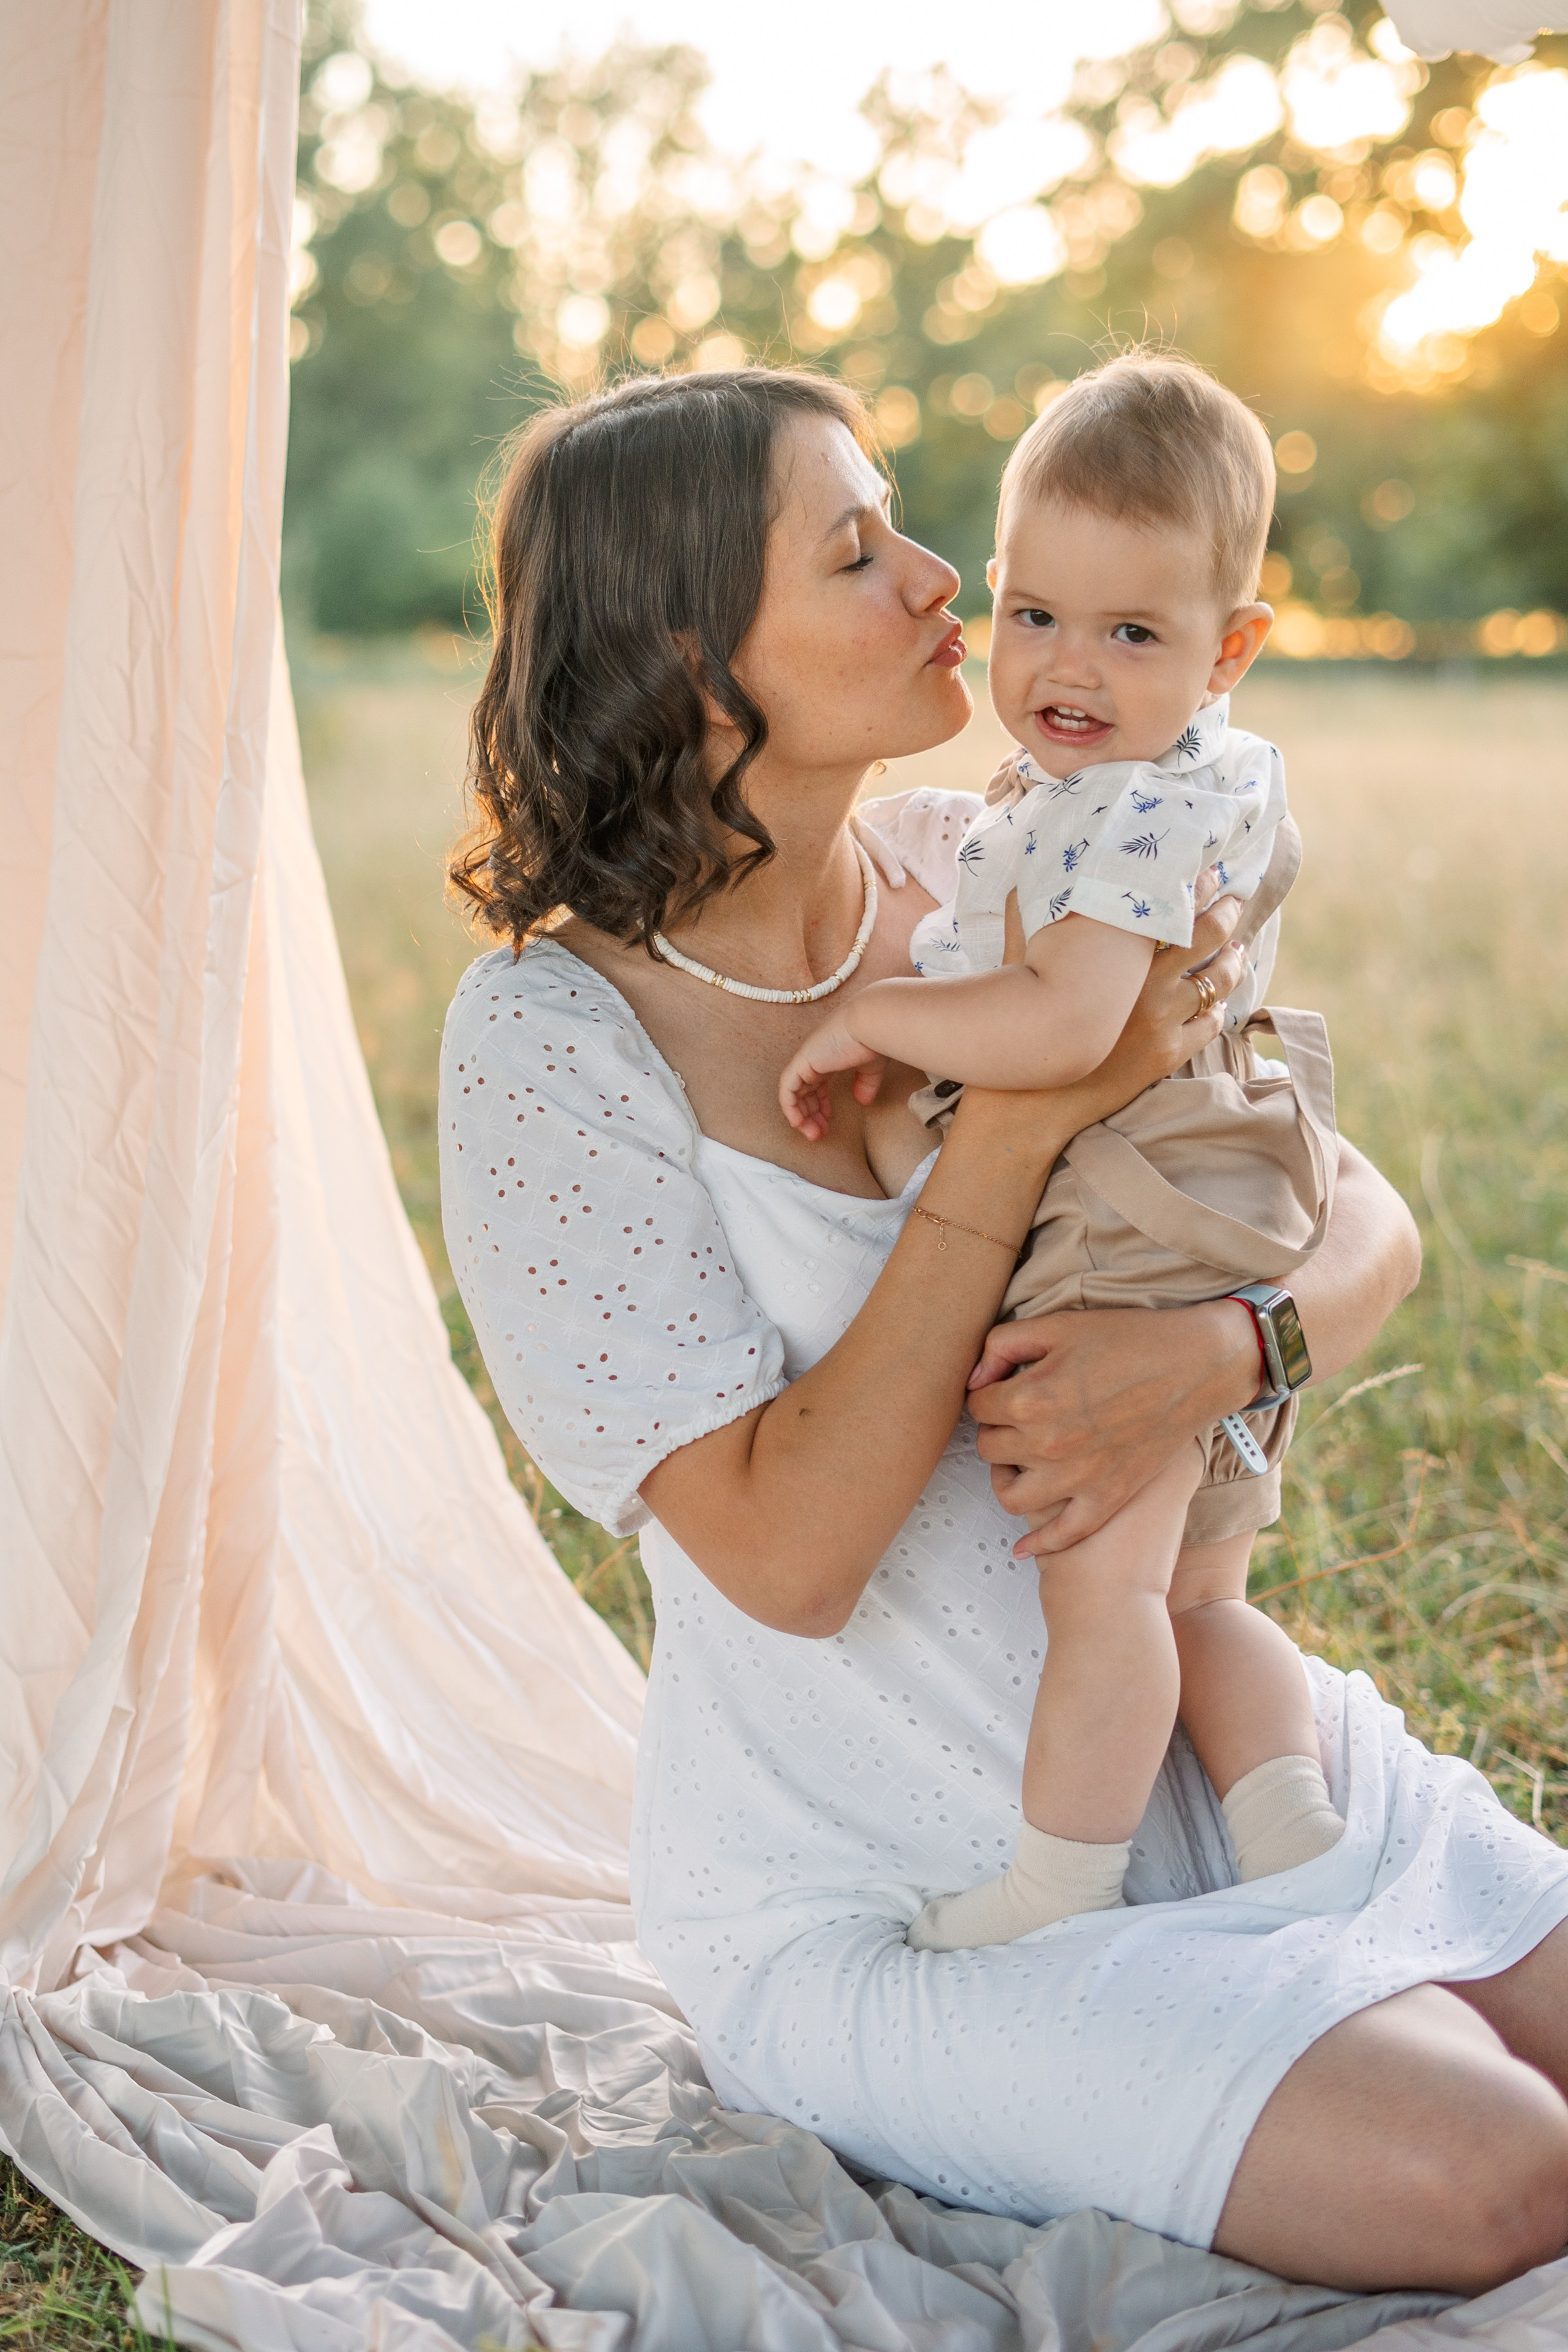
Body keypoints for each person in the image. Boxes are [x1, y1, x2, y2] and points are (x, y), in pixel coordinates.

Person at [440, 365, 1568, 2294]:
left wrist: (1229, 1353)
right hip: (898, 1894)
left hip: (1202, 1756)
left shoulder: (1004, 860)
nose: (946, 573)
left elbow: (1357, 1216)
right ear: (693, 656)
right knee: (1499, 2178)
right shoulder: (550, 1049)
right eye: (856, 547)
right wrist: (1029, 1116)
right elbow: (790, 1561)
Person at [775, 353, 1343, 1954]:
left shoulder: (1142, 813)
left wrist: (884, 1020)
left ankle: (1062, 1887)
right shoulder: (1156, 779)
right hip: (1220, 1213)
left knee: (1100, 1596)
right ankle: (1294, 1834)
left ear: (1231, 648)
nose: (1067, 668)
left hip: (1132, 1221)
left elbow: (1070, 1027)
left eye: (1133, 632)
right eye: (1036, 614)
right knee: (1201, 1595)